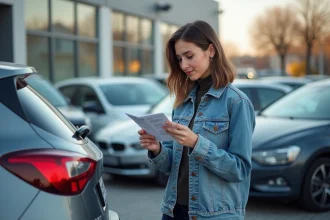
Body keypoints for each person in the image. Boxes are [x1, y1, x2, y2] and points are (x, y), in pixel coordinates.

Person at [138, 20, 255, 220]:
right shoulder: (182, 102)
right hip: (173, 211)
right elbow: (171, 167)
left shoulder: (236, 102)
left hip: (214, 215)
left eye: (189, 56)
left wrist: (196, 143)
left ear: (210, 50)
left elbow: (240, 170)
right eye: (179, 59)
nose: (184, 65)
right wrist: (156, 148)